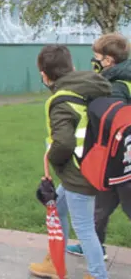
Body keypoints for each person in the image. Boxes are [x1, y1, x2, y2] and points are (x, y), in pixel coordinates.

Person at [29, 45, 110, 279]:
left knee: (84, 227)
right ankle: (55, 263)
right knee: (59, 207)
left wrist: (51, 160)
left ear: (44, 75)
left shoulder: (62, 100)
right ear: (72, 67)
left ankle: (98, 275)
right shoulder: (94, 86)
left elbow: (63, 143)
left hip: (80, 173)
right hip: (95, 164)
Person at [65, 33, 131, 260]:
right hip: (115, 161)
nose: (94, 62)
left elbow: (108, 124)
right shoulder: (120, 80)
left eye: (97, 57)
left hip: (122, 162)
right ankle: (92, 247)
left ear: (109, 61)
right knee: (100, 208)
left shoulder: (115, 88)